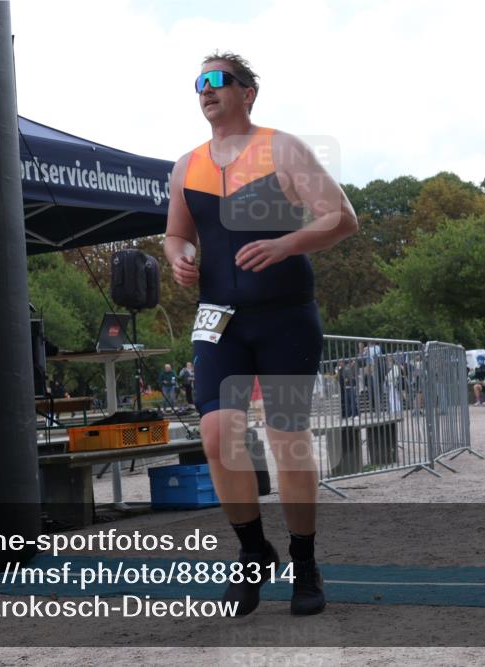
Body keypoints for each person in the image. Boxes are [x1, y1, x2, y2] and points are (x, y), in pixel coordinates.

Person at [164, 51, 358, 617]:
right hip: (217, 318)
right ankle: (253, 551)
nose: (206, 89)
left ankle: (305, 562)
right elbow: (175, 235)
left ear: (248, 92)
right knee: (218, 436)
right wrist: (179, 258)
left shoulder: (282, 148)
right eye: (199, 82)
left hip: (285, 315)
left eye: (218, 80)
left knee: (287, 442)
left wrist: (285, 244)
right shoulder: (185, 165)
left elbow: (341, 216)